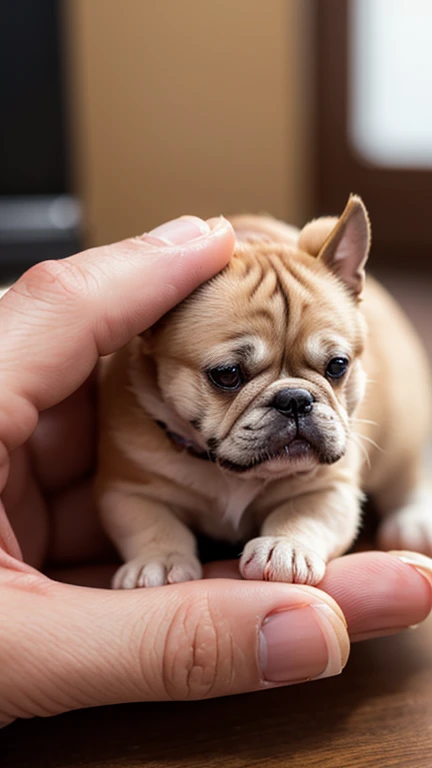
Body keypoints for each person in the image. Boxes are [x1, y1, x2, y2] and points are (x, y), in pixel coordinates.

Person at [0, 214, 431, 728]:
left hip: (394, 450)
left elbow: (333, 493)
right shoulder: (128, 413)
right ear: (153, 323)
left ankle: (417, 487)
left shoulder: (347, 315)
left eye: (332, 368)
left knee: (404, 449)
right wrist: (156, 548)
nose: (296, 404)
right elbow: (126, 493)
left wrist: (300, 536)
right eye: (229, 375)